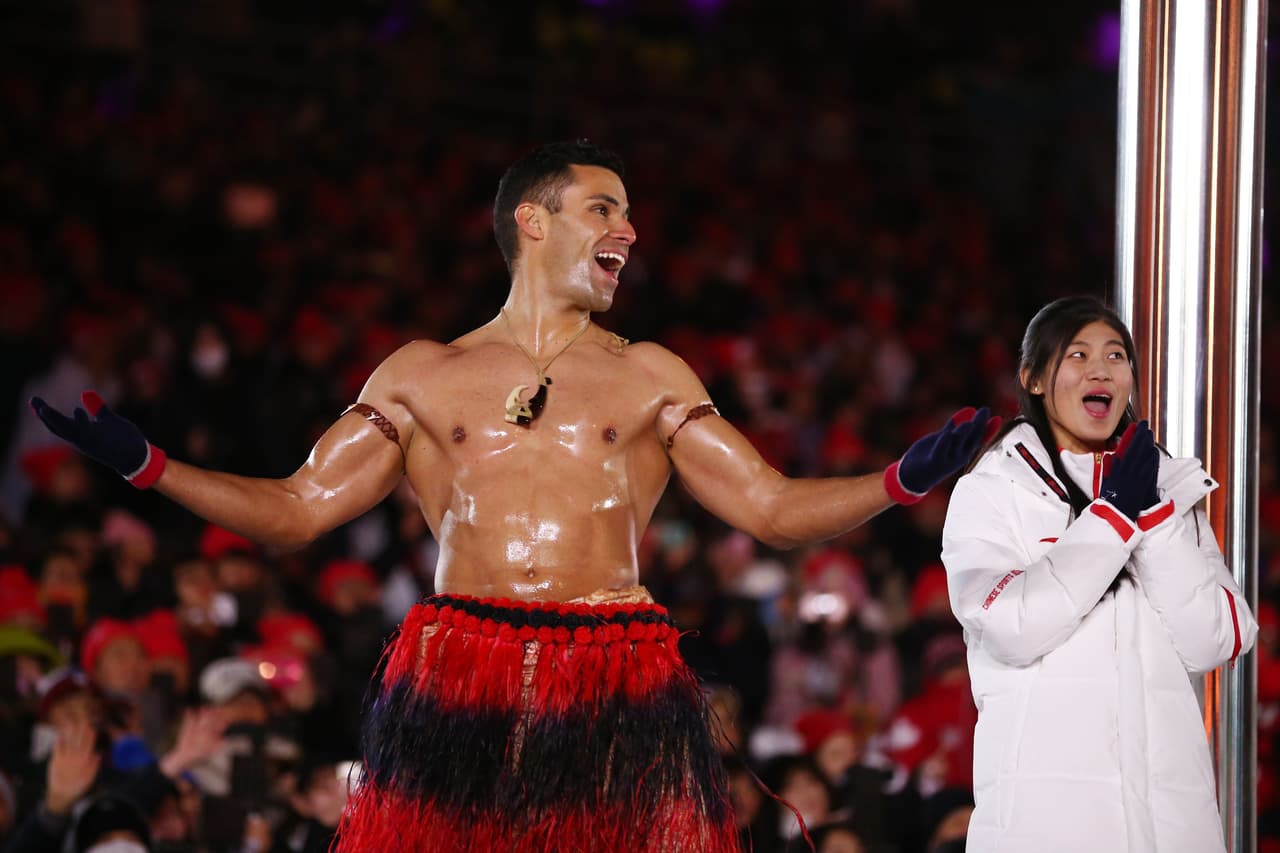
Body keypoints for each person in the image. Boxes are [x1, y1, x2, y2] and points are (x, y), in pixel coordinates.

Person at [30, 140, 995, 851]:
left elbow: (775, 510)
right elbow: (296, 509)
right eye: (603, 208)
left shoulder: (651, 372)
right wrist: (148, 464)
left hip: (613, 669)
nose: (627, 229)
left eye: (627, 213)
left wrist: (900, 478)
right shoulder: (420, 372)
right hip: (458, 667)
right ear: (533, 220)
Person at [940, 295, 1257, 852]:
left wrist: (1153, 519)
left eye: (1116, 356)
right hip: (1046, 824)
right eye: (1078, 354)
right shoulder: (991, 490)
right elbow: (1009, 627)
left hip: (1172, 825)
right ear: (1034, 379)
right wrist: (1111, 520)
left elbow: (1220, 638)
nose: (1100, 369)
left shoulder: (1170, 491)